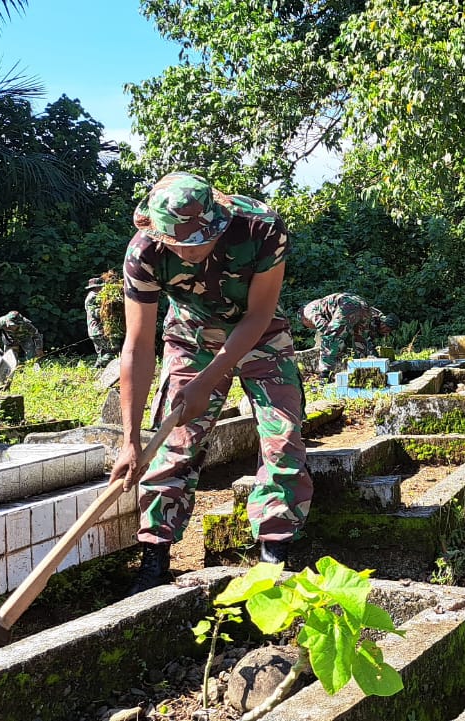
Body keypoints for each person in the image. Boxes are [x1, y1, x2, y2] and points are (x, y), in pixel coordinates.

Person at [109, 171, 311, 592]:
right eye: (182, 244)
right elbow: (137, 346)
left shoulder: (261, 227)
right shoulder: (143, 255)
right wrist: (130, 439)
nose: (196, 248)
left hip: (261, 335)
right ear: (159, 234)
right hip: (190, 336)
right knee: (172, 446)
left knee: (283, 437)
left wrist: (208, 381)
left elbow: (258, 315)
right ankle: (155, 558)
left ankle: (274, 554)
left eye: (205, 237)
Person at [301, 292, 391, 372]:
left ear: (304, 319)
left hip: (347, 305)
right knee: (359, 338)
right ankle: (363, 366)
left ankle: (325, 372)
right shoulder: (321, 305)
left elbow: (325, 328)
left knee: (331, 336)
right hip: (365, 306)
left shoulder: (308, 311)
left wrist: (338, 343)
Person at [84, 275, 122, 367]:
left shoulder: (96, 296)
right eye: (101, 287)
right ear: (96, 287)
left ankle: (99, 371)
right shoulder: (93, 297)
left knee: (103, 352)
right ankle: (96, 368)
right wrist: (109, 310)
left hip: (97, 330)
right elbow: (96, 313)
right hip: (98, 330)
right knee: (111, 351)